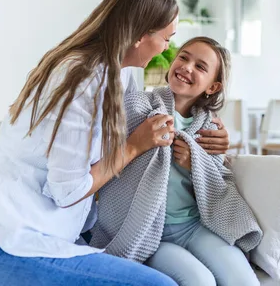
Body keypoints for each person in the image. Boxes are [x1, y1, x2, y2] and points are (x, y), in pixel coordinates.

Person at [0, 0, 229, 285]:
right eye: (166, 38)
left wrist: (211, 138)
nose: (166, 48)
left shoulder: (116, 76)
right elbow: (67, 190)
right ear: (140, 36)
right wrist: (133, 147)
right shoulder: (82, 78)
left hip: (42, 236)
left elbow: (147, 112)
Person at [91, 37, 261, 286]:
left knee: (244, 280)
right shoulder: (140, 106)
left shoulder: (208, 126)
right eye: (183, 57)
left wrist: (196, 164)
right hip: (152, 232)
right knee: (200, 281)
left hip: (193, 225)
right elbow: (112, 148)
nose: (187, 67)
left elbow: (219, 178)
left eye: (200, 67)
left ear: (212, 87)